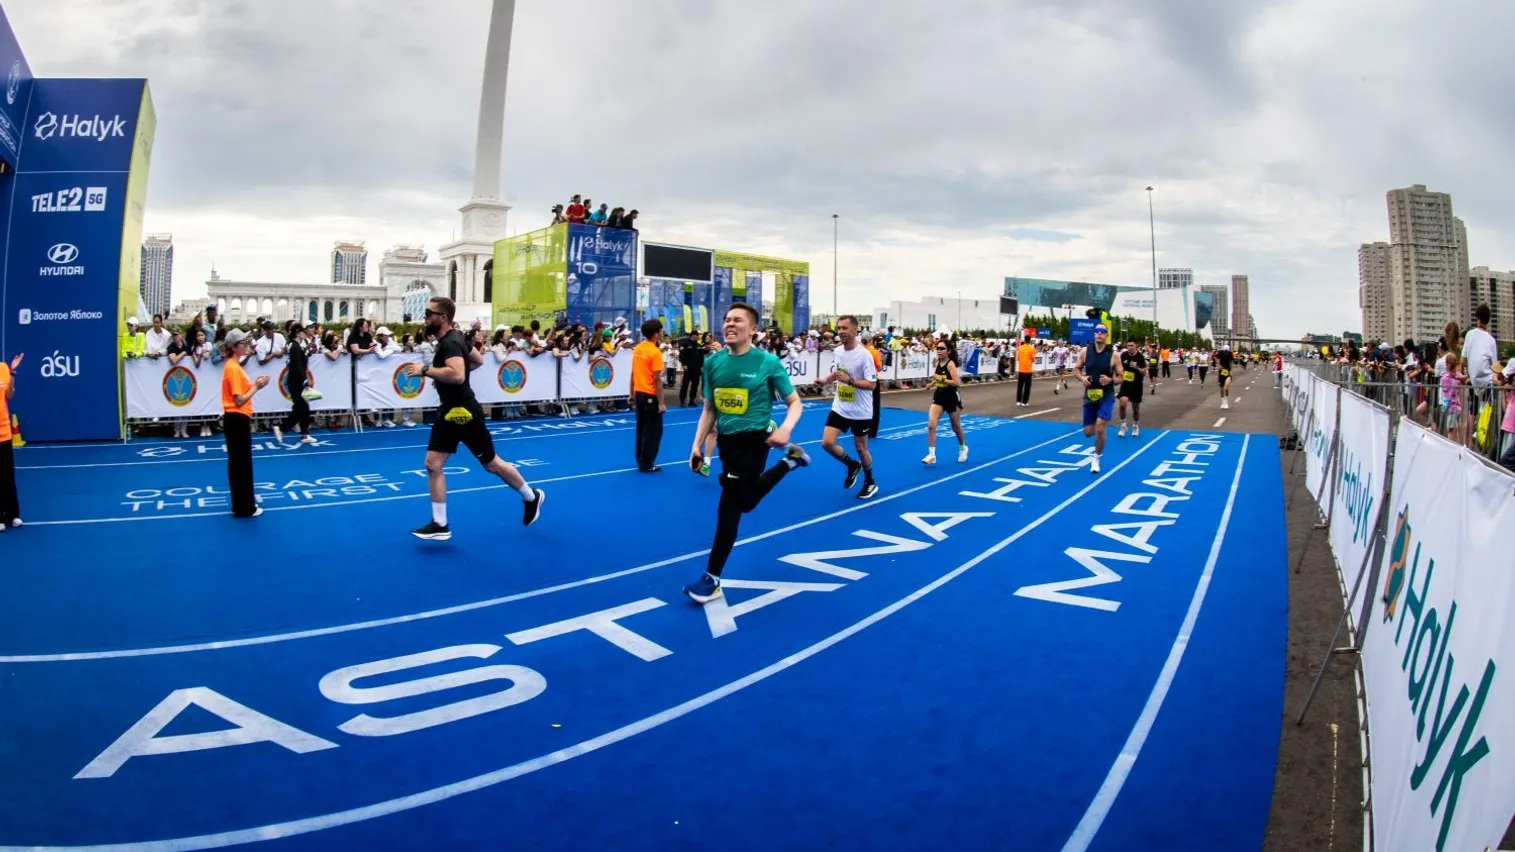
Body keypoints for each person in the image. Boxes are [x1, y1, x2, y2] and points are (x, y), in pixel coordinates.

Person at [684, 302, 809, 604]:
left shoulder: (768, 363)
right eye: (727, 319)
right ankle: (790, 462)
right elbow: (709, 408)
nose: (729, 324)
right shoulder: (713, 363)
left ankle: (712, 578)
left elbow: (795, 402)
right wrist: (696, 445)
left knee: (729, 508)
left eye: (737, 320)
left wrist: (786, 428)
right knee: (746, 502)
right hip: (727, 443)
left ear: (753, 329)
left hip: (755, 440)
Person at [405, 296, 544, 541]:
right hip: (450, 409)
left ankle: (531, 496)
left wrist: (426, 371)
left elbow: (458, 375)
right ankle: (440, 524)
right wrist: (442, 376)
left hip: (464, 411)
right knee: (433, 464)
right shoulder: (455, 338)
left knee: (491, 464)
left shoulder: (450, 342)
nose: (425, 318)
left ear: (443, 318)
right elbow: (477, 360)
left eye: (429, 314)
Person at [813, 315, 879, 499]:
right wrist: (825, 380)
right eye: (839, 328)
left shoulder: (864, 355)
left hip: (861, 411)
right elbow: (837, 373)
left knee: (861, 448)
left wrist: (850, 381)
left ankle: (870, 482)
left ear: (855, 331)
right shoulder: (838, 351)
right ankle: (852, 465)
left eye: (844, 328)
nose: (840, 331)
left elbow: (872, 384)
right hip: (840, 407)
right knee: (827, 443)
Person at [221, 331, 270, 518]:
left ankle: (240, 504)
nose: (247, 344)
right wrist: (257, 387)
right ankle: (245, 507)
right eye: (243, 342)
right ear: (235, 347)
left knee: (237, 463)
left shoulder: (233, 365)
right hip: (237, 417)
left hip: (236, 417)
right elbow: (239, 400)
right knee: (242, 464)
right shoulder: (233, 367)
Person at [1073, 324, 1119, 474]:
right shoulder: (1085, 351)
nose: (1099, 334)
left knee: (1100, 428)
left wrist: (1111, 380)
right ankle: (1098, 436)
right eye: (1097, 331)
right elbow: (1076, 369)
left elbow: (1121, 377)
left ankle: (1096, 458)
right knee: (1088, 432)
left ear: (1106, 335)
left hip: (1106, 396)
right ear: (1094, 335)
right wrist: (1082, 378)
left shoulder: (1114, 355)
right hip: (1090, 395)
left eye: (1102, 331)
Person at [922, 338, 967, 464]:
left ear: (948, 351)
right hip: (939, 396)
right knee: (931, 425)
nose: (939, 351)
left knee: (956, 427)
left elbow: (957, 382)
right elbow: (938, 377)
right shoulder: (939, 362)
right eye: (937, 348)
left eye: (942, 348)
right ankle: (932, 455)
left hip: (951, 397)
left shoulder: (951, 364)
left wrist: (941, 379)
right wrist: (931, 384)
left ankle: (963, 448)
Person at [631, 319, 667, 472]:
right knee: (652, 431)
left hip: (639, 393)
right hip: (650, 395)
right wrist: (661, 403)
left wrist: (631, 393)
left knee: (641, 429)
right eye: (660, 331)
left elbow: (633, 373)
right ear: (656, 334)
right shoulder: (655, 352)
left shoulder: (638, 348)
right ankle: (646, 463)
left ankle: (640, 459)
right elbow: (657, 379)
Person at [273, 323, 316, 445]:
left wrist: (306, 351)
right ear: (298, 333)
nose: (304, 333)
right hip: (296, 382)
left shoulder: (296, 346)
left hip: (296, 381)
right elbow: (297, 365)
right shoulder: (295, 346)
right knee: (303, 408)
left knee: (299, 409)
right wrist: (304, 380)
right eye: (302, 331)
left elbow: (300, 361)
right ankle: (298, 432)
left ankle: (291, 430)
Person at [0, 353, 23, 531]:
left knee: (8, 476)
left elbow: (9, 394)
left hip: (5, 432)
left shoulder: (3, 368)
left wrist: (12, 372)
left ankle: (13, 514)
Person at [1117, 339, 1147, 438]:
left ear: (1136, 346)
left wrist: (1136, 367)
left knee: (1136, 409)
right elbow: (1119, 368)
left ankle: (1135, 425)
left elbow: (1144, 372)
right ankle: (1123, 425)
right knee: (1122, 404)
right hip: (1126, 384)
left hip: (1137, 385)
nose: (1130, 348)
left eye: (1132, 346)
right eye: (1128, 346)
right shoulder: (1123, 355)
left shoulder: (1140, 357)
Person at [1216, 344, 1235, 409]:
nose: (1226, 351)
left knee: (1226, 387)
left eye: (1227, 350)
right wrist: (1218, 365)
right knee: (1221, 389)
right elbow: (1217, 358)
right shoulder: (1220, 352)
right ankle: (1222, 402)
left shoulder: (1230, 353)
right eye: (1225, 350)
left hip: (1227, 372)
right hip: (1221, 372)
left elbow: (1232, 361)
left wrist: (1231, 369)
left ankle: (1226, 402)